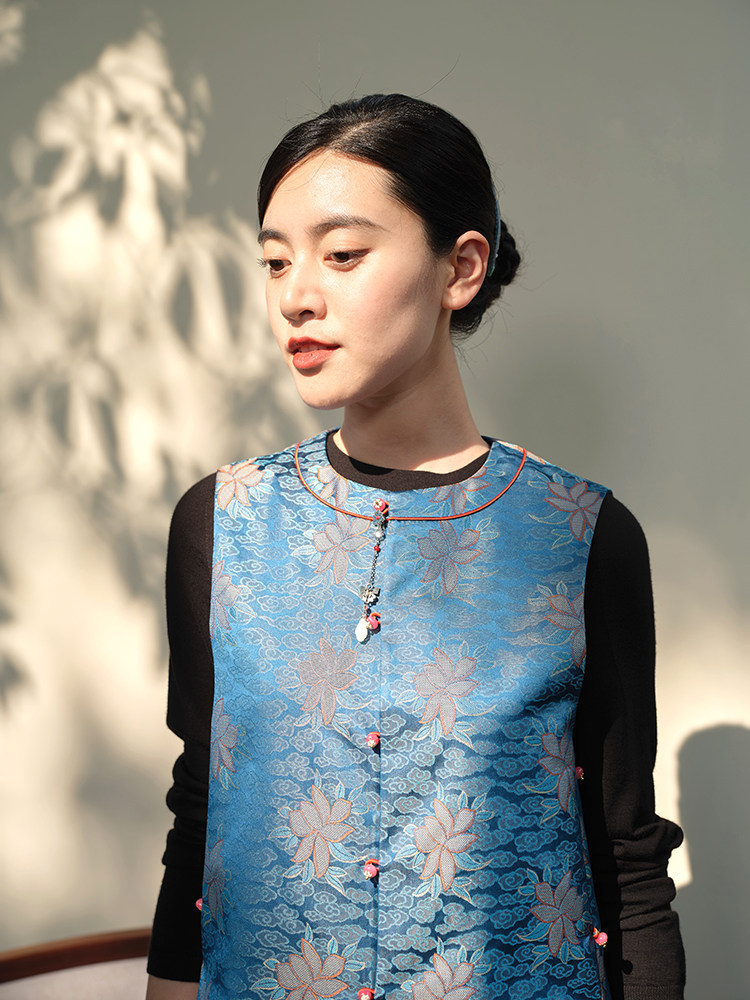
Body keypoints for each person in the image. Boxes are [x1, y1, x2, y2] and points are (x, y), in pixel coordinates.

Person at [145, 94, 685, 1000]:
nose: (295, 296)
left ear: (460, 268)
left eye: (342, 254)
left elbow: (628, 859)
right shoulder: (222, 523)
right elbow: (202, 810)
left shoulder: (582, 536)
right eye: (275, 261)